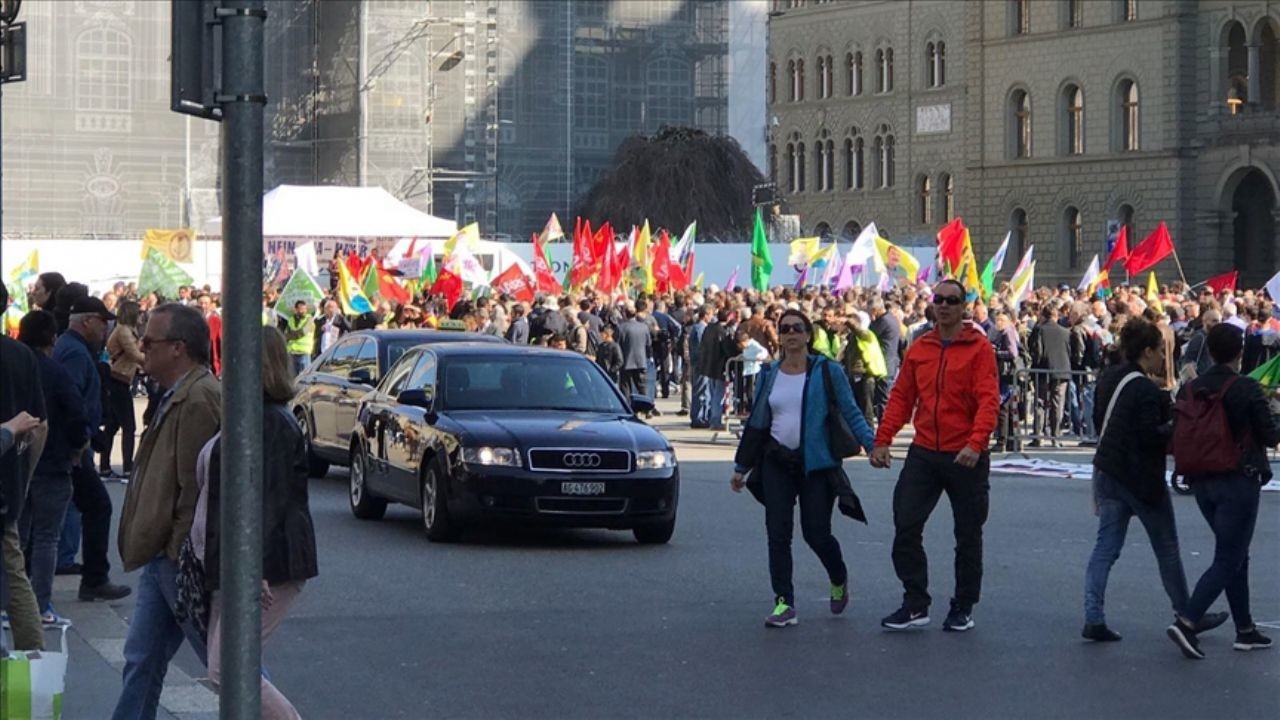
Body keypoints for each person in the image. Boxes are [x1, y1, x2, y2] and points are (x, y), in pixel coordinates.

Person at [193, 327, 318, 718]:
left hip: (263, 563)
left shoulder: (270, 422)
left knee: (227, 668)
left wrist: (254, 567)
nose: (224, 366)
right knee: (228, 667)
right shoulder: (246, 415)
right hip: (232, 561)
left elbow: (271, 499)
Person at [730, 309, 875, 627]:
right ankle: (784, 602)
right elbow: (757, 422)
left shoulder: (827, 371)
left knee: (816, 534)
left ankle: (838, 577)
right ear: (779, 336)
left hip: (816, 465)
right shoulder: (770, 373)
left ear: (808, 335)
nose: (791, 334)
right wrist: (741, 466)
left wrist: (873, 444)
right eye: (785, 329)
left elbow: (851, 412)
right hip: (776, 463)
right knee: (777, 534)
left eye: (798, 328)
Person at [870, 279, 1000, 633]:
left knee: (968, 535)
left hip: (966, 455)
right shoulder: (921, 347)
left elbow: (989, 400)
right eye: (938, 300)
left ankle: (963, 605)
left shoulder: (979, 348)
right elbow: (901, 397)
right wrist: (882, 440)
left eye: (951, 300)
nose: (943, 306)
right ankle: (915, 602)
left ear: (964, 307)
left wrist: (976, 443)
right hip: (925, 450)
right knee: (905, 523)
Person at [1082, 318, 1221, 644]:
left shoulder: (1109, 378)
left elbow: (1102, 420)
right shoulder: (1145, 389)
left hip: (1108, 471)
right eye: (1160, 350)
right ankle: (1186, 614)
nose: (1163, 357)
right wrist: (1174, 422)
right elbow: (1149, 437)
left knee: (1106, 548)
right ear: (1146, 351)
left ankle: (1093, 616)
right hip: (1141, 480)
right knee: (1167, 550)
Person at [113, 303, 221, 720]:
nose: (142, 349)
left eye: (150, 342)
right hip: (165, 554)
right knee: (142, 658)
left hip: (178, 558)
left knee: (225, 665)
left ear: (178, 348)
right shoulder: (180, 392)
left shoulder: (198, 398)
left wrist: (178, 549)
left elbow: (196, 486)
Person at [1166, 324, 1280, 659]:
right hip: (1238, 479)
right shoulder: (1245, 387)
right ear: (1240, 352)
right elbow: (1271, 435)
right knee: (1229, 556)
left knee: (1234, 552)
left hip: (1202, 480)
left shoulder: (1192, 387)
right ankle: (1188, 620)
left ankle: (1245, 628)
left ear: (1211, 351)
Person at [55, 296, 132, 602]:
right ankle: (95, 578)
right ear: (87, 321)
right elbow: (68, 398)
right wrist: (82, 437)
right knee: (98, 506)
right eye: (102, 322)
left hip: (76, 442)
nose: (106, 328)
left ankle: (93, 576)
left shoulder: (71, 347)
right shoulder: (74, 352)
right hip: (73, 446)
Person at [19, 310, 88, 626]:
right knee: (47, 537)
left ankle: (11, 603)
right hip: (52, 461)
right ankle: (40, 604)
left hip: (15, 462)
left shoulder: (13, 366)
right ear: (52, 337)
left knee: (14, 536)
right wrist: (77, 448)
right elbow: (76, 414)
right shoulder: (56, 372)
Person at [1, 282, 49, 651]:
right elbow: (38, 426)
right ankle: (33, 665)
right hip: (7, 484)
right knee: (15, 576)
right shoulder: (21, 356)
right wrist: (23, 477)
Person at [101, 300, 145, 480]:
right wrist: (151, 361)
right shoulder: (124, 331)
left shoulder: (126, 330)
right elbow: (134, 354)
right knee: (129, 425)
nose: (142, 315)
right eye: (139, 312)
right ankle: (128, 467)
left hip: (119, 378)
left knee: (112, 425)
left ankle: (104, 467)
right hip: (118, 379)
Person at [1029, 304, 1071, 447]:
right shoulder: (1065, 332)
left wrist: (1035, 364)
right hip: (1062, 370)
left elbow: (1036, 351)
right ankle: (1056, 437)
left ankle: (1038, 436)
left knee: (1040, 403)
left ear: (1043, 315)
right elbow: (1070, 351)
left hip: (1043, 370)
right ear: (1056, 316)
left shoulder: (1039, 330)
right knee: (1057, 404)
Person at [697, 308, 738, 431]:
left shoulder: (709, 328)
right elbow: (728, 349)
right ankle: (715, 420)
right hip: (720, 366)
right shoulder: (722, 332)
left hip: (709, 365)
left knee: (713, 392)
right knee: (718, 394)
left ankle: (713, 418)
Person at [616, 304, 652, 400]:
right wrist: (648, 357)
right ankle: (646, 408)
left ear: (625, 314)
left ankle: (628, 408)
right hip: (640, 361)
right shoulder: (644, 327)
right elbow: (648, 344)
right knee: (642, 386)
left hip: (626, 361)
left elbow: (617, 345)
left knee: (625, 387)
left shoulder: (621, 328)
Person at [282, 299, 315, 376]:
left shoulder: (309, 319)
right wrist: (290, 335)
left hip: (304, 353)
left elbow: (303, 332)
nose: (303, 311)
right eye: (300, 309)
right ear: (296, 309)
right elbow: (285, 334)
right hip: (292, 352)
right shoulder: (291, 320)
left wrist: (291, 335)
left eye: (304, 309)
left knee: (305, 377)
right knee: (292, 377)